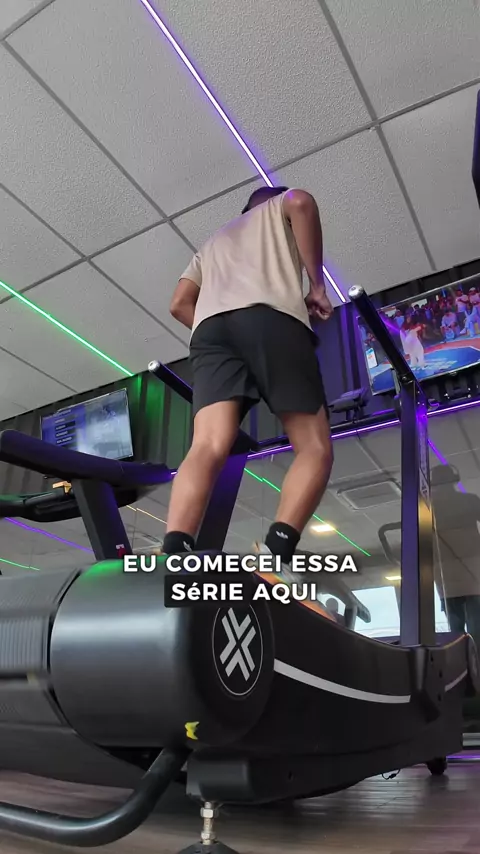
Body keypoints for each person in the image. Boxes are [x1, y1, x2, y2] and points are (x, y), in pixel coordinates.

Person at [162, 186, 334, 566]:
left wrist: (221, 337)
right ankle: (276, 555)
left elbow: (178, 304)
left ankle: (175, 550)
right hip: (270, 318)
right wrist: (317, 287)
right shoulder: (276, 210)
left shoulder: (211, 244)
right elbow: (301, 201)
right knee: (314, 448)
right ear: (270, 204)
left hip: (209, 334)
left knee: (207, 445)